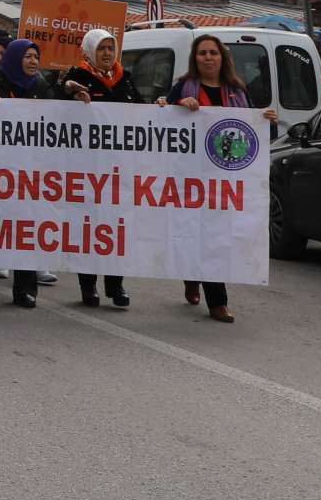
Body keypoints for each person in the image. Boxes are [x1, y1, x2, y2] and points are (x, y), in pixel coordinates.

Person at [161, 32, 278, 324]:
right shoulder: (183, 87)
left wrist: (268, 123)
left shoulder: (238, 91)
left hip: (225, 180)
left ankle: (214, 297)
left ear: (222, 57)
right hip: (190, 178)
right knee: (194, 234)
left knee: (215, 239)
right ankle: (197, 281)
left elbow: (252, 134)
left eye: (213, 52)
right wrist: (174, 106)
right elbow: (162, 123)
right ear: (195, 58)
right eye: (203, 53)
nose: (208, 58)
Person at [0, 37, 64, 305]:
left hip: (32, 171)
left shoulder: (41, 86)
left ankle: (26, 288)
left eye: (35, 57)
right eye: (27, 56)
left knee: (27, 228)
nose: (32, 61)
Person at [62, 28, 135, 310]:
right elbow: (57, 102)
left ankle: (116, 285)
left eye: (110, 48)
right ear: (90, 51)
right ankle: (88, 286)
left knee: (115, 228)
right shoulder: (76, 78)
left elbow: (141, 112)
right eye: (102, 48)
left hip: (118, 169)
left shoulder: (124, 80)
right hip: (86, 169)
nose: (107, 53)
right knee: (89, 228)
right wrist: (70, 92)